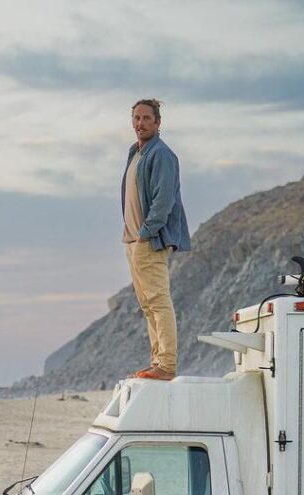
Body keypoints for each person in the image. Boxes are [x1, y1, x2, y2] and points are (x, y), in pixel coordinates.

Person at [121, 98, 190, 381]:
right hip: (133, 240)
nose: (140, 123)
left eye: (147, 118)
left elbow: (164, 200)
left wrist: (146, 233)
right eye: (136, 118)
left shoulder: (161, 154)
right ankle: (157, 361)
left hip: (149, 239)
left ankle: (167, 365)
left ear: (158, 122)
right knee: (147, 304)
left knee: (159, 301)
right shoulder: (135, 152)